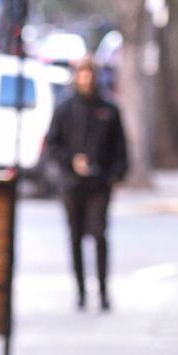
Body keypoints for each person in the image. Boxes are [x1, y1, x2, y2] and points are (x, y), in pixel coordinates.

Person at [42, 56, 128, 310]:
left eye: (90, 74)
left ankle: (102, 290)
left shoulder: (109, 109)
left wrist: (115, 174)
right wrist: (71, 162)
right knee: (75, 237)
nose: (86, 79)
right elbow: (53, 145)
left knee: (99, 235)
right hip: (72, 184)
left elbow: (120, 148)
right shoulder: (65, 108)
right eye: (82, 74)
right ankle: (80, 290)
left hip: (99, 183)